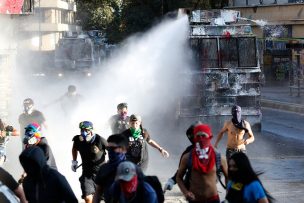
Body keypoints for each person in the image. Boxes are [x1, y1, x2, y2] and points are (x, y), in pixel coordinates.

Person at [177, 124, 227, 203]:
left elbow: (229, 178)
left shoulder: (219, 158)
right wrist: (186, 193)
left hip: (213, 200)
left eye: (203, 135)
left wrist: (229, 197)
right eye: (198, 136)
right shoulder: (187, 157)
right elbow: (179, 177)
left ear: (210, 136)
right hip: (194, 200)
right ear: (194, 138)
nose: (201, 138)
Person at [71, 121, 107, 203]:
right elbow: (74, 148)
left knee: (103, 199)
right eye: (82, 130)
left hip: (101, 174)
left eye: (86, 130)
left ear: (91, 131)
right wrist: (74, 161)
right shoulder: (78, 140)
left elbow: (111, 149)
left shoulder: (99, 140)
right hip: (87, 174)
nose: (83, 132)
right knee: (87, 198)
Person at [93, 134, 129, 203]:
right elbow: (98, 192)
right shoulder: (104, 168)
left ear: (123, 149)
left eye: (113, 148)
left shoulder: (132, 169)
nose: (110, 151)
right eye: (109, 149)